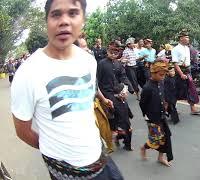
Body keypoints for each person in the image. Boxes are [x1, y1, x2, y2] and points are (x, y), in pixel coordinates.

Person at [11, 0, 124, 179]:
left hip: (101, 159)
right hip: (64, 171)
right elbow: (22, 131)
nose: (64, 21)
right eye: (56, 14)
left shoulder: (88, 61)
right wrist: (55, 149)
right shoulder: (28, 73)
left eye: (72, 13)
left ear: (82, 20)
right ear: (46, 21)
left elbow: (87, 103)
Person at [139, 60, 173, 167]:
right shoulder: (147, 88)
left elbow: (162, 95)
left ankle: (160, 157)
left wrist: (165, 105)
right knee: (156, 139)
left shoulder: (161, 82)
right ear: (153, 73)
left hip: (162, 115)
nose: (163, 77)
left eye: (164, 75)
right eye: (160, 75)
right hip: (152, 118)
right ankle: (144, 148)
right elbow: (142, 104)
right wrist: (147, 115)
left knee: (166, 137)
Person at [97, 42, 134, 131]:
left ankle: (126, 135)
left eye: (115, 53)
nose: (113, 55)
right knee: (116, 110)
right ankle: (118, 130)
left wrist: (127, 89)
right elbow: (97, 80)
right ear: (107, 51)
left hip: (118, 91)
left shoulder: (118, 64)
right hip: (106, 93)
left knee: (125, 109)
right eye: (111, 52)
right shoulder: (101, 64)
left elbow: (123, 77)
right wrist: (100, 96)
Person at [172, 30, 200, 115]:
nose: (188, 39)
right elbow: (175, 63)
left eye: (188, 37)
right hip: (179, 72)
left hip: (188, 70)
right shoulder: (175, 49)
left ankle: (193, 108)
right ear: (181, 38)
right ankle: (172, 108)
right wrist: (181, 74)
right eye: (186, 37)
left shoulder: (187, 48)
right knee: (177, 91)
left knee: (191, 89)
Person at [113, 83, 134, 151]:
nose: (126, 93)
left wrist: (131, 115)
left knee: (129, 133)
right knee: (123, 134)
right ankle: (117, 138)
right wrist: (115, 126)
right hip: (119, 123)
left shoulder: (124, 100)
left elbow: (127, 109)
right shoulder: (114, 103)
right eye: (125, 92)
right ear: (120, 94)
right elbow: (113, 115)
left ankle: (127, 146)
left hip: (126, 121)